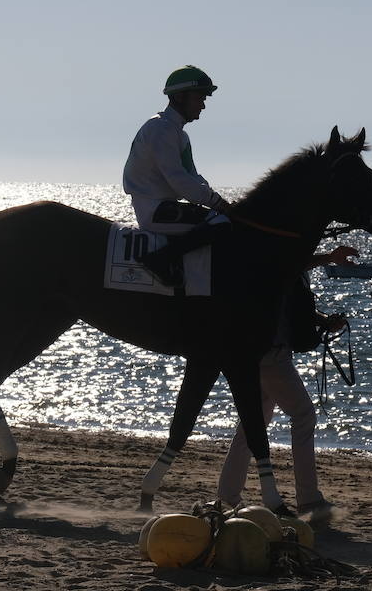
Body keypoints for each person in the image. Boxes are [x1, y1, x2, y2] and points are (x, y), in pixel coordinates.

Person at [216, 245, 358, 522]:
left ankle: (227, 497)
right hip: (272, 354)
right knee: (303, 417)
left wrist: (324, 320)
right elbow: (290, 265)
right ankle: (309, 500)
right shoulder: (280, 260)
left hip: (257, 352)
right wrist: (329, 258)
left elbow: (290, 301)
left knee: (252, 425)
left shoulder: (267, 260)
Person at [122, 64, 234, 286]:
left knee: (223, 218)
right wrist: (218, 204)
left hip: (162, 206)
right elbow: (179, 181)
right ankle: (160, 260)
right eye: (199, 97)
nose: (203, 105)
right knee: (222, 224)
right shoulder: (161, 129)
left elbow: (193, 177)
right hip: (153, 211)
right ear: (180, 97)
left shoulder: (177, 133)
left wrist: (219, 201)